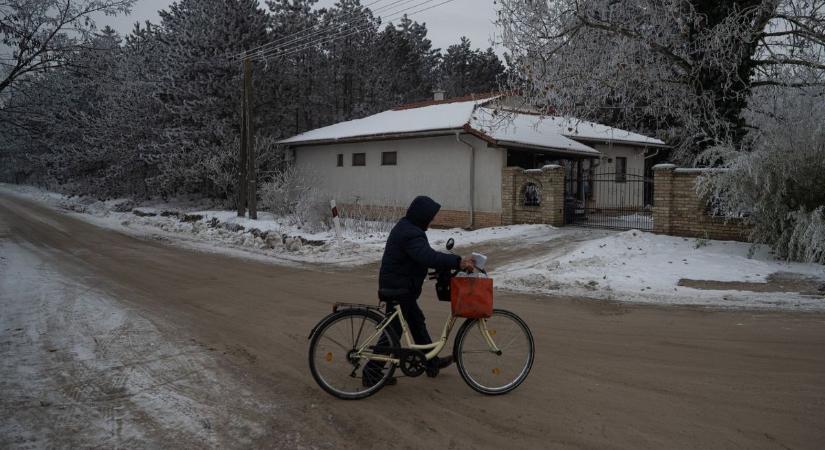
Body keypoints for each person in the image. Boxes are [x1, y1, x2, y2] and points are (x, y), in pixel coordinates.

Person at [363, 196, 475, 387]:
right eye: (430, 217)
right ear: (422, 216)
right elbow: (426, 256)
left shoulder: (408, 227)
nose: (431, 221)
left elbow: (416, 257)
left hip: (399, 285)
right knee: (393, 331)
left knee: (415, 321)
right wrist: (458, 262)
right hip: (398, 288)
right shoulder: (411, 233)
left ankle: (431, 362)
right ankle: (371, 373)